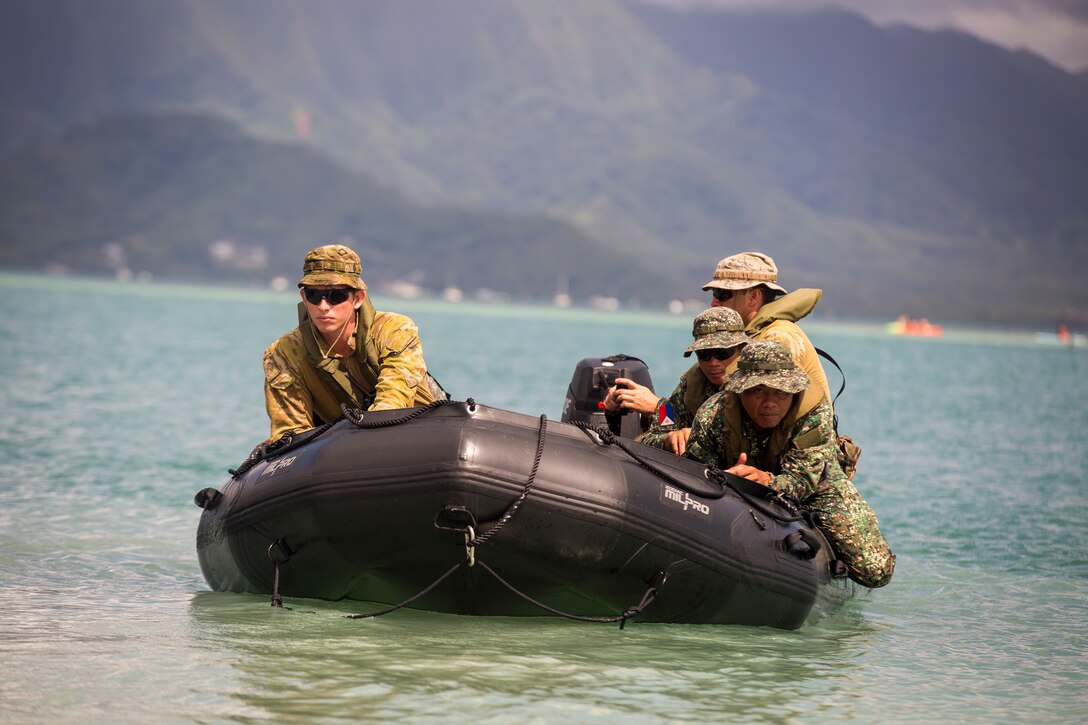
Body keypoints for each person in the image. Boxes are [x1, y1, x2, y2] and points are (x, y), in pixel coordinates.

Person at [685, 341, 895, 588]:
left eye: (780, 392)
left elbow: (803, 480)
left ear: (793, 392)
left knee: (875, 570)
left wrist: (768, 481)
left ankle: (829, 570)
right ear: (740, 390)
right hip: (734, 480)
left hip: (815, 483)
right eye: (758, 391)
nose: (770, 403)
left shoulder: (813, 414)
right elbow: (696, 472)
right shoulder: (714, 414)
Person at [262, 244, 443, 442]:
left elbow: (392, 402)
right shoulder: (284, 353)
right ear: (304, 298)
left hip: (420, 433)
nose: (323, 307)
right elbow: (289, 432)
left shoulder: (394, 331)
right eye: (314, 295)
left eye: (335, 296)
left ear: (357, 298)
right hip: (338, 447)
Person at [603, 307, 749, 455]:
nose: (713, 362)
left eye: (722, 353)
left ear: (741, 350)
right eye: (704, 354)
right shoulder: (693, 383)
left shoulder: (755, 388)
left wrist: (656, 406)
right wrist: (667, 439)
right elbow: (665, 422)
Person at [703, 251, 831, 417]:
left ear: (753, 297)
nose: (714, 302)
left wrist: (695, 433)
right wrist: (660, 407)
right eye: (714, 293)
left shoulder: (778, 339)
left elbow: (766, 416)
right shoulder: (730, 343)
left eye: (722, 294)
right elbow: (675, 408)